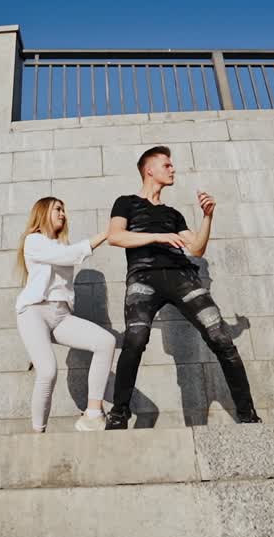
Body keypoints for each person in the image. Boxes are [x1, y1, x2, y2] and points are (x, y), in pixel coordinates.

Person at [104, 146, 261, 430]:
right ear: (149, 169)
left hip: (181, 277)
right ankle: (119, 412)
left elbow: (197, 249)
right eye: (167, 165)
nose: (173, 169)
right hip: (143, 278)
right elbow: (115, 237)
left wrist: (208, 217)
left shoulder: (173, 214)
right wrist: (159, 237)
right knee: (136, 340)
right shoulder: (125, 202)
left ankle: (248, 414)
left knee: (221, 338)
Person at [15, 197, 117, 432]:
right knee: (48, 371)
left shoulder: (62, 246)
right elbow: (70, 256)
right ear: (43, 213)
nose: (63, 214)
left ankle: (92, 415)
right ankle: (38, 434)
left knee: (106, 341)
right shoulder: (33, 241)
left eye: (64, 210)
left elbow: (67, 253)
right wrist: (104, 234)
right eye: (58, 209)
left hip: (60, 315)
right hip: (34, 312)